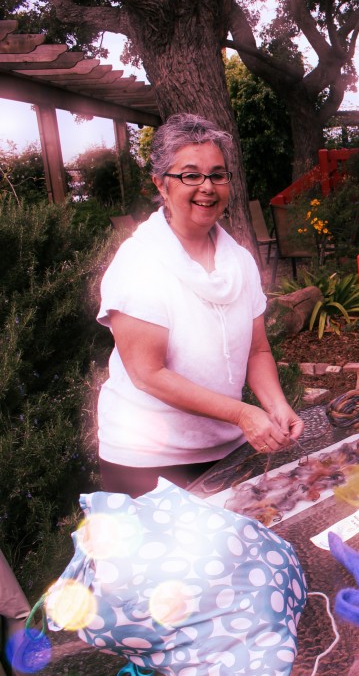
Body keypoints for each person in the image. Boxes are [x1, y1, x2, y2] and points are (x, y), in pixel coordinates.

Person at [96, 113, 303, 498]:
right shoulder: (140, 263)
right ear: (160, 183)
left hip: (229, 449)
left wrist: (276, 407)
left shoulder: (238, 260)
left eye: (218, 175)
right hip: (149, 461)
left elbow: (257, 350)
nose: (207, 188)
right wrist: (242, 414)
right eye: (190, 175)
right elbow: (148, 374)